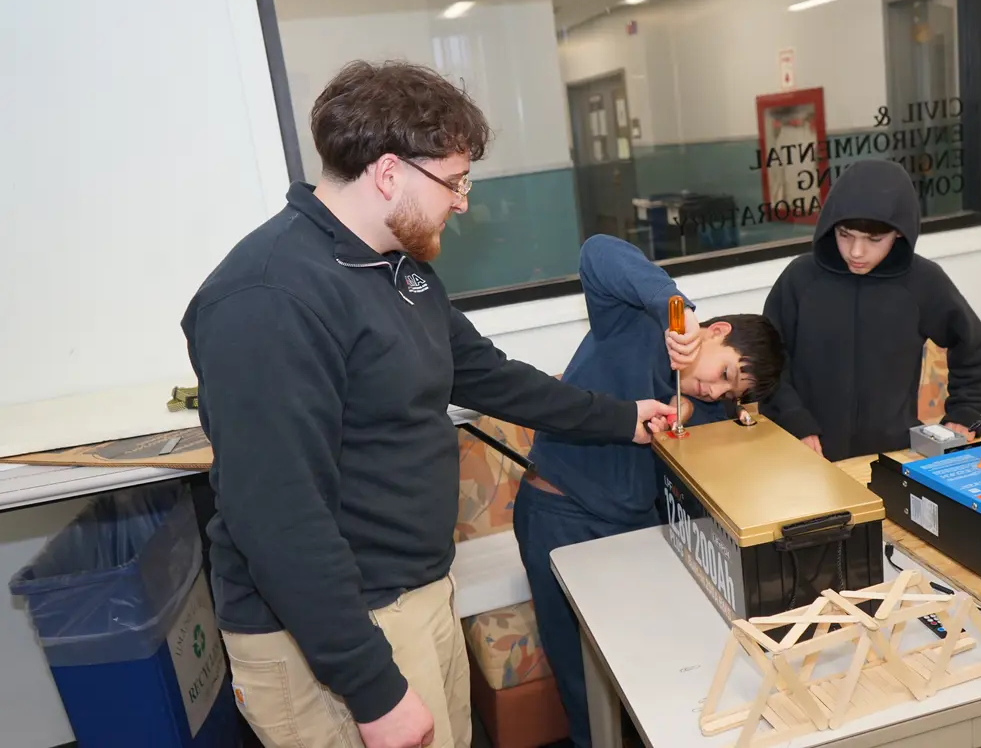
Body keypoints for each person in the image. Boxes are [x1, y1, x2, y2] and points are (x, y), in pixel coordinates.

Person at [180, 60, 678, 748]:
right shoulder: (269, 299)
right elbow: (277, 518)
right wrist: (374, 690)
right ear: (389, 174)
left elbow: (488, 375)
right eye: (453, 182)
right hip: (331, 637)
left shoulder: (396, 267)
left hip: (414, 594)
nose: (463, 201)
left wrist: (623, 418)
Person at [513, 234, 786, 748]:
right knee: (583, 684)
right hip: (560, 516)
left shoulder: (707, 409)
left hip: (635, 532)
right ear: (715, 332)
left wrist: (693, 412)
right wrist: (674, 310)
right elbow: (597, 251)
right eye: (723, 373)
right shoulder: (637, 320)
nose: (715, 390)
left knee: (650, 682)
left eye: (730, 393)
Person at [760, 158, 981, 463]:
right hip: (807, 455)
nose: (856, 252)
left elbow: (973, 349)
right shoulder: (800, 278)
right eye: (845, 235)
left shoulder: (923, 281)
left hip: (893, 455)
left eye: (874, 239)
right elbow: (768, 362)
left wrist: (966, 412)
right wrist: (794, 420)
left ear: (899, 233)